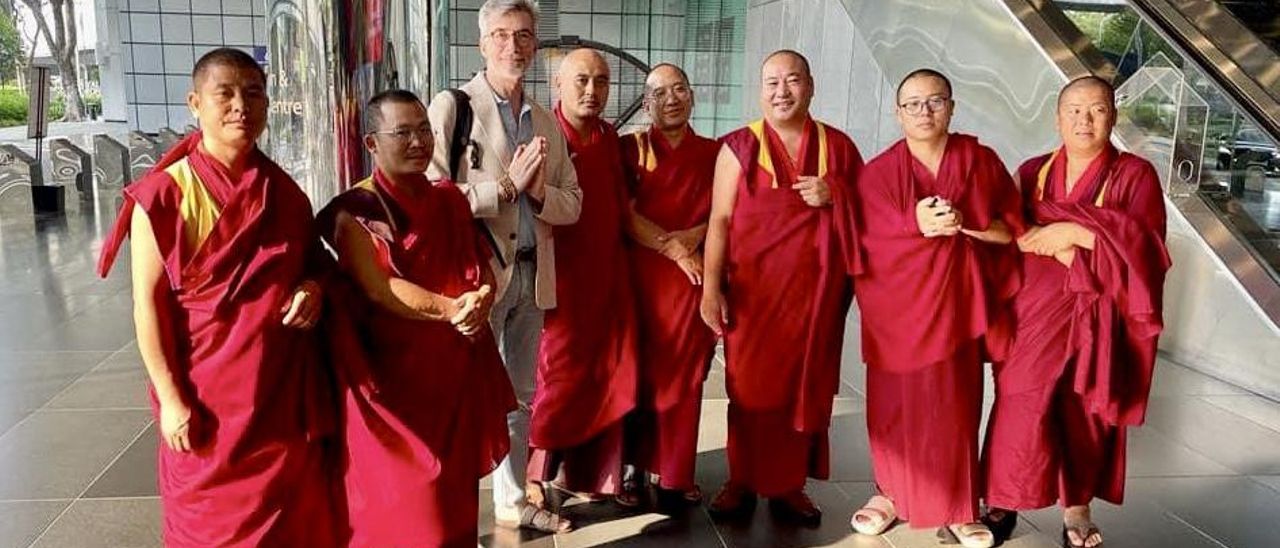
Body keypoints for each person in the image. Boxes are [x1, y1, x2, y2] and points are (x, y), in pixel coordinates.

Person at [96, 47, 334, 546]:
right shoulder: (164, 196)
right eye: (224, 94)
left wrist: (313, 288)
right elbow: (147, 306)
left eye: (253, 95)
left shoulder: (285, 194)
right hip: (206, 407)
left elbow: (316, 266)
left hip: (276, 403)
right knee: (207, 530)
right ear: (194, 103)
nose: (240, 107)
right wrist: (170, 396)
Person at [318, 90, 516, 547]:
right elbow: (379, 286)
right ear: (372, 144)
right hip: (390, 387)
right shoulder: (356, 211)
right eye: (402, 132)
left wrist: (482, 296)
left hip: (452, 375)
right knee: (406, 507)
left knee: (454, 500)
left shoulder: (446, 198)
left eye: (424, 130)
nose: (418, 142)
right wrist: (453, 309)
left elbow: (478, 264)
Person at [982, 76, 1171, 548]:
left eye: (1097, 109)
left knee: (1085, 408)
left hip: (1101, 310)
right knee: (1019, 399)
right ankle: (1002, 500)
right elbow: (1013, 234)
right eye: (1074, 110)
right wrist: (1066, 246)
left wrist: (1075, 233)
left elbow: (1146, 249)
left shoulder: (1135, 174)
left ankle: (1077, 508)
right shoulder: (1031, 172)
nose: (1084, 120)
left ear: (1114, 115)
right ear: (1057, 117)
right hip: (1035, 309)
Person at [426, 0, 583, 533]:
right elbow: (429, 196)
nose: (512, 46)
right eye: (500, 35)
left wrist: (538, 193)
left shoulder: (544, 119)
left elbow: (572, 201)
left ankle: (512, 501)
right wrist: (505, 188)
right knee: (461, 393)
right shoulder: (453, 108)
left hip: (532, 275)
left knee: (520, 396)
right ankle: (447, 503)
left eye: (522, 36)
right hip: (475, 280)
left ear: (535, 45)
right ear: (482, 43)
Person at [851, 69, 1023, 548]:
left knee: (954, 405)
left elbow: (1008, 231)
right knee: (893, 405)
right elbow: (861, 244)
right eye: (913, 104)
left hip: (955, 304)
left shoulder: (979, 160)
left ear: (952, 105)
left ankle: (960, 505)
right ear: (897, 112)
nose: (924, 112)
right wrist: (912, 224)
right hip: (897, 310)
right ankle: (889, 493)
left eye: (935, 101)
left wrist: (965, 225)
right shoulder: (879, 171)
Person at [701, 49, 863, 526]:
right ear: (760, 89)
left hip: (816, 299)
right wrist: (711, 289)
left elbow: (876, 212)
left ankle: (790, 486)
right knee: (748, 391)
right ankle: (741, 480)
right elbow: (720, 221)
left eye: (792, 81)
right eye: (772, 82)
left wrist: (838, 194)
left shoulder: (839, 147)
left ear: (810, 86)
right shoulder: (738, 146)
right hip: (754, 296)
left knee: (804, 392)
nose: (782, 91)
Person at [523, 47, 640, 519]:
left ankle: (592, 476)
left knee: (608, 375)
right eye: (581, 81)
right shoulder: (541, 134)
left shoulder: (611, 138)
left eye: (601, 81)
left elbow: (621, 206)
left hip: (607, 277)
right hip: (559, 279)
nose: (593, 91)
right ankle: (532, 476)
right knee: (556, 380)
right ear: (557, 86)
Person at [620, 62, 719, 507]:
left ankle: (676, 471)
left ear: (692, 96)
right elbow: (622, 212)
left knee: (687, 374)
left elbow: (727, 211)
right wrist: (673, 248)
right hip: (643, 277)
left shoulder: (718, 153)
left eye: (680, 89)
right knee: (636, 374)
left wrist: (694, 238)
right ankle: (630, 471)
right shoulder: (630, 149)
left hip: (694, 279)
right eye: (660, 93)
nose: (671, 98)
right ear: (647, 104)